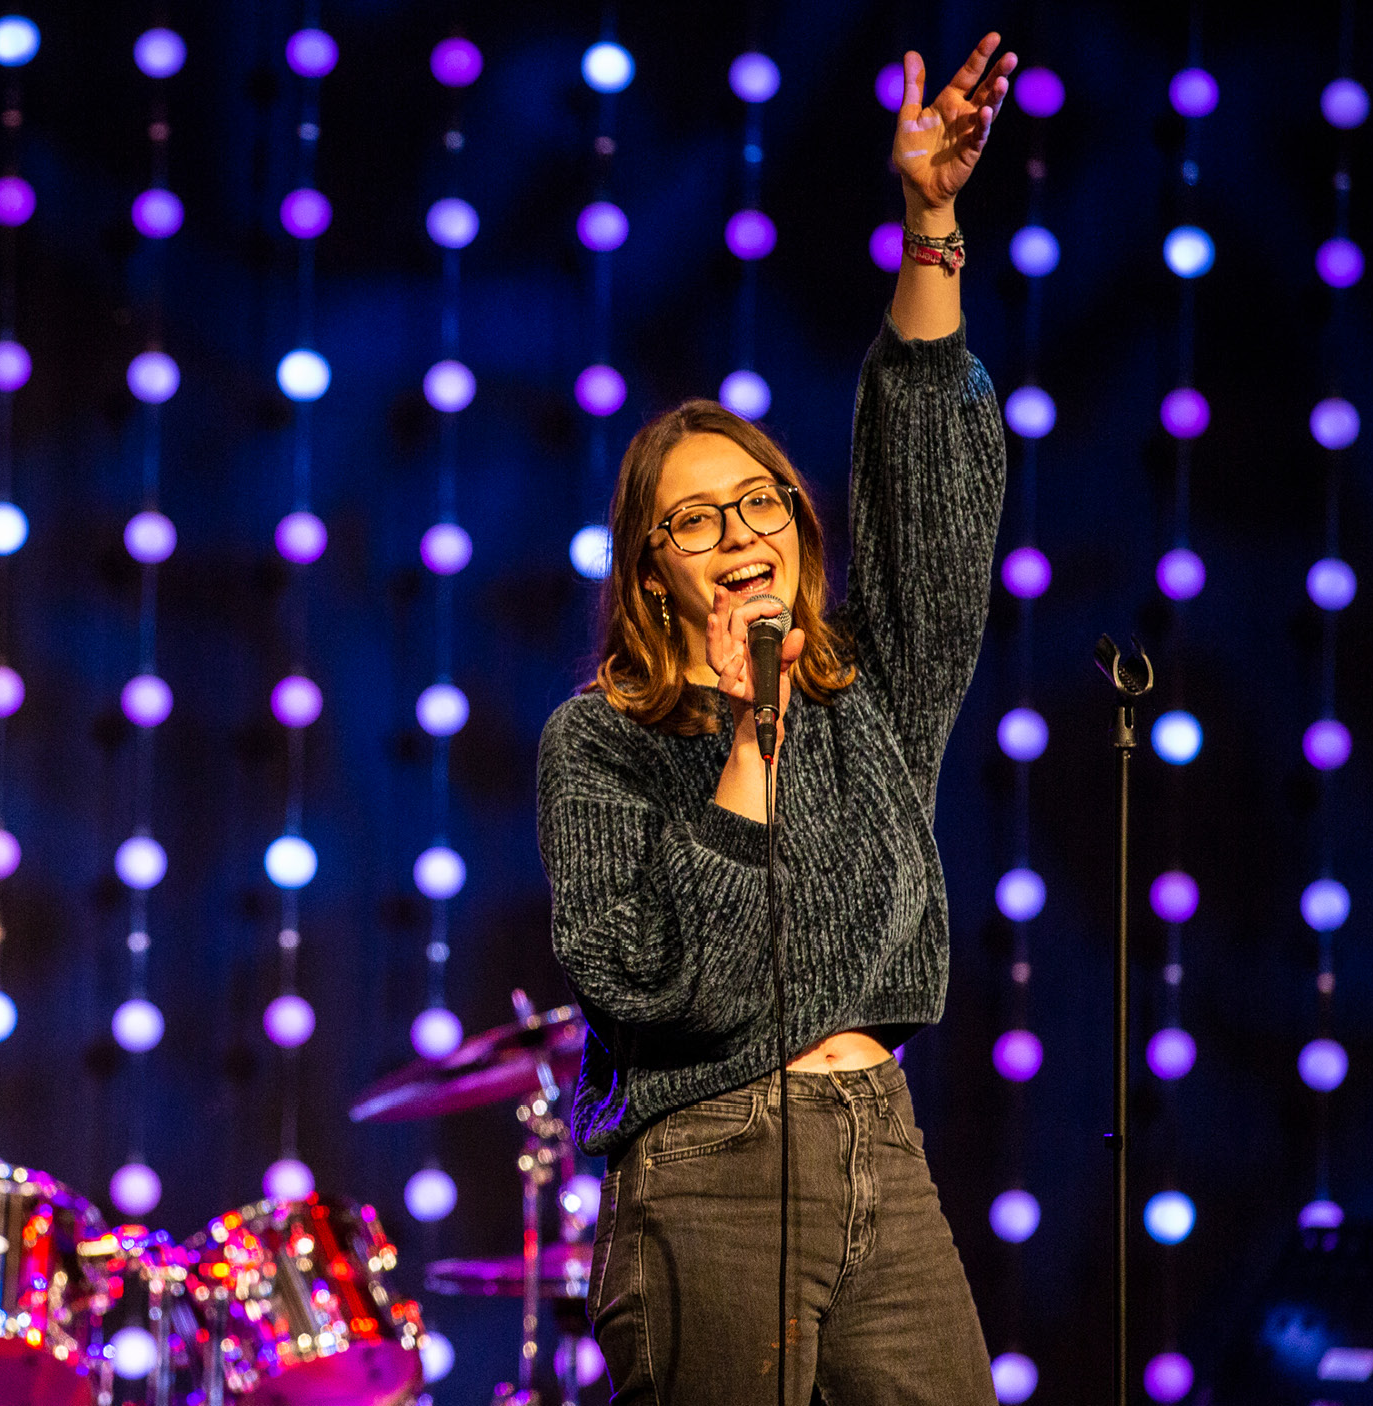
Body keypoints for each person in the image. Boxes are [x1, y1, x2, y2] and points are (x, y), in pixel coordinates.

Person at [537, 35, 1018, 1406]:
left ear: (800, 533)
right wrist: (745, 746)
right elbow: (655, 984)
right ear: (654, 569)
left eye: (761, 502)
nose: (739, 529)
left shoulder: (873, 687)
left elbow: (929, 477)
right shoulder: (605, 743)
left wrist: (931, 221)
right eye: (696, 518)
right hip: (709, 1163)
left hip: (884, 1146)